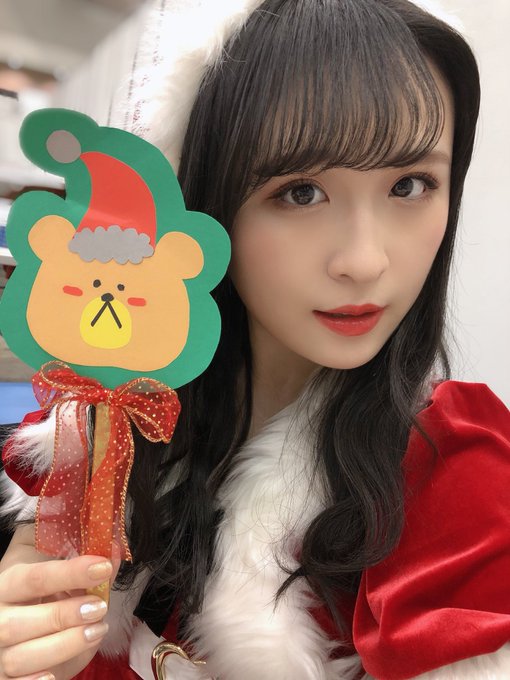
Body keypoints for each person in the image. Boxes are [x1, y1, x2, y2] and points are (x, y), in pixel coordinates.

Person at [0, 0, 509, 678]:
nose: (364, 261)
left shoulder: (460, 478)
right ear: (205, 200)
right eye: (300, 193)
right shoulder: (97, 436)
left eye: (411, 185)